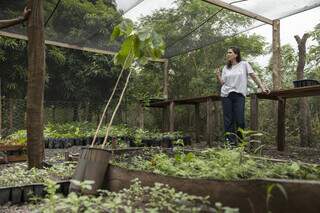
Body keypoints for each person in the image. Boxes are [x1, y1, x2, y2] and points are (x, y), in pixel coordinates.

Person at [216, 46, 269, 145]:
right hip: (226, 95)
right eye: (227, 52)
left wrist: (262, 87)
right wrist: (218, 76)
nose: (227, 54)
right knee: (228, 120)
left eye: (230, 52)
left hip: (239, 95)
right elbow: (223, 83)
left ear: (236, 54)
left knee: (240, 120)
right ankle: (230, 143)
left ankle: (240, 144)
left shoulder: (244, 64)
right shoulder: (225, 68)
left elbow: (253, 75)